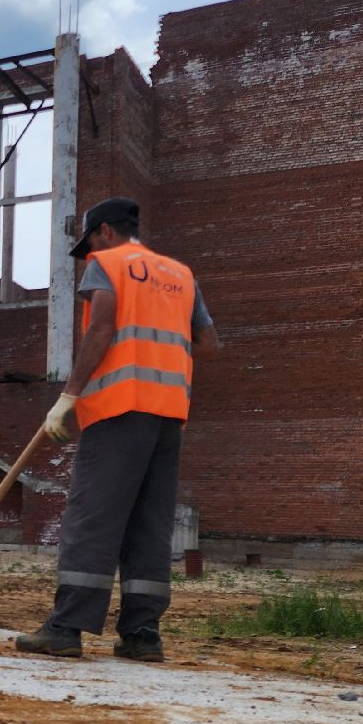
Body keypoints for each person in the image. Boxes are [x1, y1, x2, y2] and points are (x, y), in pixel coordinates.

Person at [16, 197, 220, 662]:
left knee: (94, 517)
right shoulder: (181, 274)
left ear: (104, 231)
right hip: (169, 414)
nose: (87, 253)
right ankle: (142, 632)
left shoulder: (107, 263)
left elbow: (101, 328)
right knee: (150, 522)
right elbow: (208, 344)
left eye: (88, 242)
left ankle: (66, 627)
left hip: (119, 409)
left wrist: (68, 395)